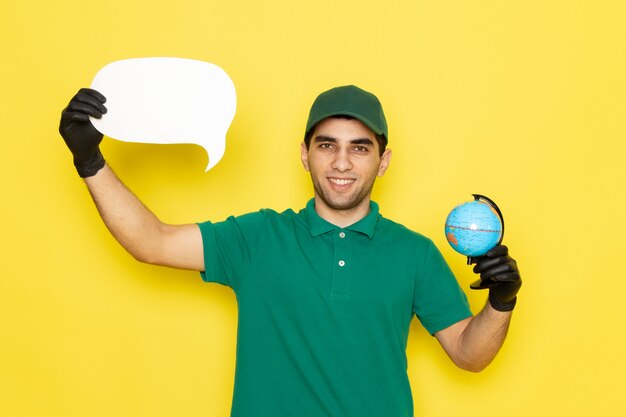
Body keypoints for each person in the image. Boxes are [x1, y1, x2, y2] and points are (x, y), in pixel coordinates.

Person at [59, 85, 522, 417]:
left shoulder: (415, 253)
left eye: (359, 148)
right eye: (328, 146)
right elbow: (151, 241)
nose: (342, 162)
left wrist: (501, 300)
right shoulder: (259, 238)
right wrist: (89, 160)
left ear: (383, 161)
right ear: (305, 154)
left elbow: (469, 354)